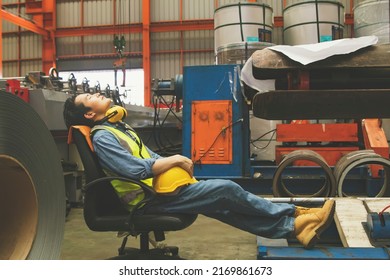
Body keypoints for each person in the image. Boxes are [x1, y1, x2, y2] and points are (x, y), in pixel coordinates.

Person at [63, 92, 336, 249]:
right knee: (226, 189)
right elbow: (133, 170)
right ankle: (297, 215)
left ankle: (294, 228)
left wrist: (174, 161)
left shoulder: (118, 127)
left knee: (222, 205)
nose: (97, 94)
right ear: (89, 114)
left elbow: (149, 155)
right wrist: (173, 161)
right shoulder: (102, 137)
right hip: (145, 200)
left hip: (158, 189)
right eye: (90, 96)